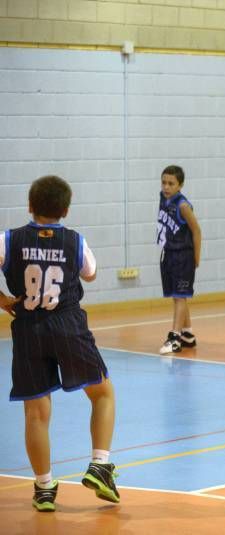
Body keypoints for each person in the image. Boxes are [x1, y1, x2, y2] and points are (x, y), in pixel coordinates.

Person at [0, 175, 119, 512]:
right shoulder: (75, 241)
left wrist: (2, 299)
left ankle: (43, 488)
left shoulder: (9, 240)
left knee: (36, 413)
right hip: (67, 325)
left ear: (29, 205)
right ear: (66, 210)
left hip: (28, 329)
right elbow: (91, 273)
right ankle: (99, 464)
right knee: (103, 393)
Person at [157, 165, 202, 354]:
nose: (166, 187)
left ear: (180, 185)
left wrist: (196, 257)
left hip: (183, 255)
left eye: (171, 183)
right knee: (177, 295)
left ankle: (175, 337)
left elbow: (197, 230)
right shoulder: (163, 198)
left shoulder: (183, 206)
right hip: (168, 253)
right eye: (164, 182)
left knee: (180, 296)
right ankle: (187, 334)